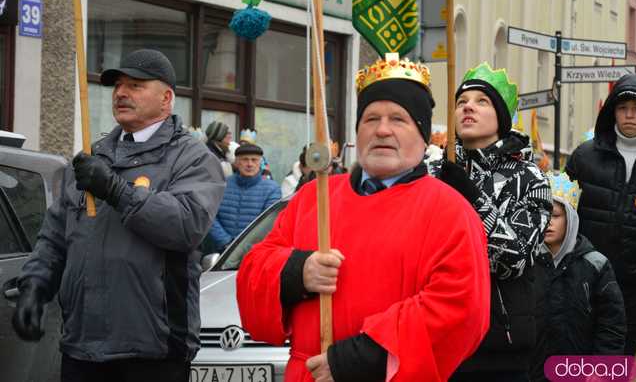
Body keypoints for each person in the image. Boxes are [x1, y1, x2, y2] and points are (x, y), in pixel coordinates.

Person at [236, 53, 491, 381]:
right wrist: (297, 271)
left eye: (398, 119)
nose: (382, 130)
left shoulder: (450, 210)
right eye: (371, 119)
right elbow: (253, 268)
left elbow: (461, 309)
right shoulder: (314, 198)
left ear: (422, 134)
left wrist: (356, 360)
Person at [11, 49, 226, 382]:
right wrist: (35, 287)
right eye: (118, 86)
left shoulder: (192, 158)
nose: (122, 93)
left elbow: (185, 225)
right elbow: (55, 237)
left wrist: (115, 190)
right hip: (82, 345)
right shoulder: (91, 158)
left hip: (152, 349)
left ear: (166, 98)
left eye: (136, 85)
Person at [430, 62, 553, 382]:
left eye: (481, 101)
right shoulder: (432, 171)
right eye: (461, 101)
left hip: (498, 346)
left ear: (501, 116)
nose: (468, 106)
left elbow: (515, 258)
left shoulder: (530, 178)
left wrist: (469, 196)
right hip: (436, 336)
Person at [566, 73, 636, 354]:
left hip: (635, 290)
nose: (629, 116)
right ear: (612, 111)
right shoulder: (585, 157)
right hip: (586, 280)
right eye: (623, 108)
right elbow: (562, 214)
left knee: (618, 358)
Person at [529, 172, 625, 382]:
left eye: (555, 215)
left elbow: (611, 324)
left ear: (571, 217)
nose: (547, 222)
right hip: (532, 371)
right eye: (542, 214)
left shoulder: (595, 264)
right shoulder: (524, 263)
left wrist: (602, 366)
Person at [207, 143, 281, 252]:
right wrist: (226, 242)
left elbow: (269, 224)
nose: (249, 164)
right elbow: (211, 216)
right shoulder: (222, 185)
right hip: (221, 252)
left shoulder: (272, 189)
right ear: (237, 162)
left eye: (254, 160)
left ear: (260, 162)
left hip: (255, 251)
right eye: (245, 159)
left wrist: (244, 248)